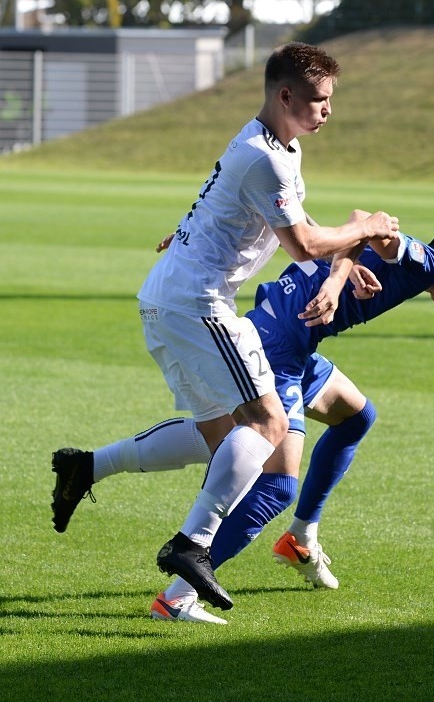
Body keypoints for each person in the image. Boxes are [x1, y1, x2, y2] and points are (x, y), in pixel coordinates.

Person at [50, 41, 399, 614]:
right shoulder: (266, 157)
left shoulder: (271, 146)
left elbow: (291, 225)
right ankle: (193, 545)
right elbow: (304, 242)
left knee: (221, 437)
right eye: (318, 99)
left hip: (168, 298)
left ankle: (89, 467)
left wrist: (344, 266)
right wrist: (368, 228)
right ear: (285, 96)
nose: (327, 110)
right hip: (198, 303)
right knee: (265, 425)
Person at [54, 216, 434, 624]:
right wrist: (335, 281)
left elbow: (353, 228)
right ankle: (177, 597)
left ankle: (300, 537)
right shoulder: (424, 262)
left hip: (288, 340)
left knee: (355, 416)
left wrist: (338, 269)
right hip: (279, 349)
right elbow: (369, 224)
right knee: (276, 484)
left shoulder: (410, 260)